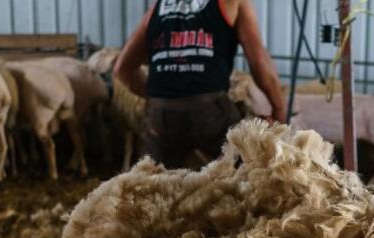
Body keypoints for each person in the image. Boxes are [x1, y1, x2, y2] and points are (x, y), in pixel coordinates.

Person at [115, 0, 287, 169]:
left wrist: (160, 96)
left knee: (150, 185)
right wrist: (279, 109)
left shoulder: (157, 8)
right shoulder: (232, 3)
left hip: (161, 116)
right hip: (210, 110)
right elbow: (258, 61)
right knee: (248, 172)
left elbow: (122, 69)